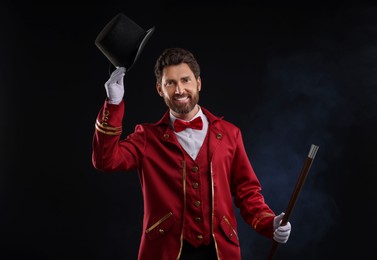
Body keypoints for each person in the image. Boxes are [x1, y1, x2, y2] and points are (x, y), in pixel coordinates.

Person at [92, 47, 291, 260]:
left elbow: (247, 192)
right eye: (170, 83)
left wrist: (270, 223)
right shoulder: (147, 137)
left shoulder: (230, 134)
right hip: (164, 251)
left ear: (198, 83)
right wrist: (113, 104)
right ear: (160, 89)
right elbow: (105, 160)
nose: (179, 90)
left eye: (185, 80)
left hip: (220, 251)